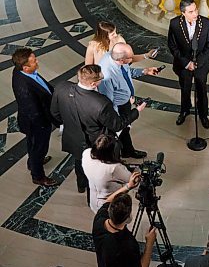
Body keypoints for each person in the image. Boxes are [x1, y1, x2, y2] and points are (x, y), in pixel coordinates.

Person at [51, 65, 146, 194]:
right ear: (94, 83)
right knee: (100, 168)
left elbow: (55, 113)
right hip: (97, 142)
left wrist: (70, 124)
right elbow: (117, 124)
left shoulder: (62, 88)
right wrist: (136, 111)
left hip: (73, 137)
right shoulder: (101, 103)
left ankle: (81, 185)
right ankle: (94, 190)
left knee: (79, 160)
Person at [92, 172, 156, 267]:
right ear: (128, 216)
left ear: (110, 210)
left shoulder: (99, 222)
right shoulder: (127, 244)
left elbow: (107, 201)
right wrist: (149, 244)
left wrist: (128, 186)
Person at [98, 43, 159, 159]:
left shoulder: (113, 56)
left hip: (126, 102)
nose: (132, 60)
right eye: (129, 58)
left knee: (125, 130)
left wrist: (144, 71)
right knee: (121, 130)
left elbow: (126, 72)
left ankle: (127, 150)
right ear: (121, 60)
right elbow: (108, 102)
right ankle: (120, 154)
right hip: (118, 107)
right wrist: (118, 120)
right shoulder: (107, 76)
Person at [11, 48, 56, 186]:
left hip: (35, 121)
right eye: (34, 61)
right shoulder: (24, 87)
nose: (37, 62)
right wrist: (44, 124)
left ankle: (33, 162)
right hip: (37, 124)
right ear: (25, 67)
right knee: (39, 147)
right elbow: (33, 111)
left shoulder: (22, 71)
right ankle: (38, 176)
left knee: (33, 144)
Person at [167, 0, 209, 128]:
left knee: (202, 90)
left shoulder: (206, 23)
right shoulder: (175, 24)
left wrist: (197, 62)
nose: (195, 14)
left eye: (196, 10)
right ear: (183, 13)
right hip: (183, 65)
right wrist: (187, 63)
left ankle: (203, 115)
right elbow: (172, 45)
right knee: (185, 89)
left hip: (201, 65)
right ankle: (185, 110)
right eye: (191, 11)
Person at [82, 134, 132, 213]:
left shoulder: (86, 153)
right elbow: (130, 179)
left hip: (94, 200)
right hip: (111, 206)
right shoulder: (114, 168)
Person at [85, 21, 156, 65]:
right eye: (112, 34)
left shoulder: (119, 40)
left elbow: (130, 58)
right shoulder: (93, 46)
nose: (116, 35)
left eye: (115, 32)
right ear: (104, 36)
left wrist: (147, 55)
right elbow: (88, 67)